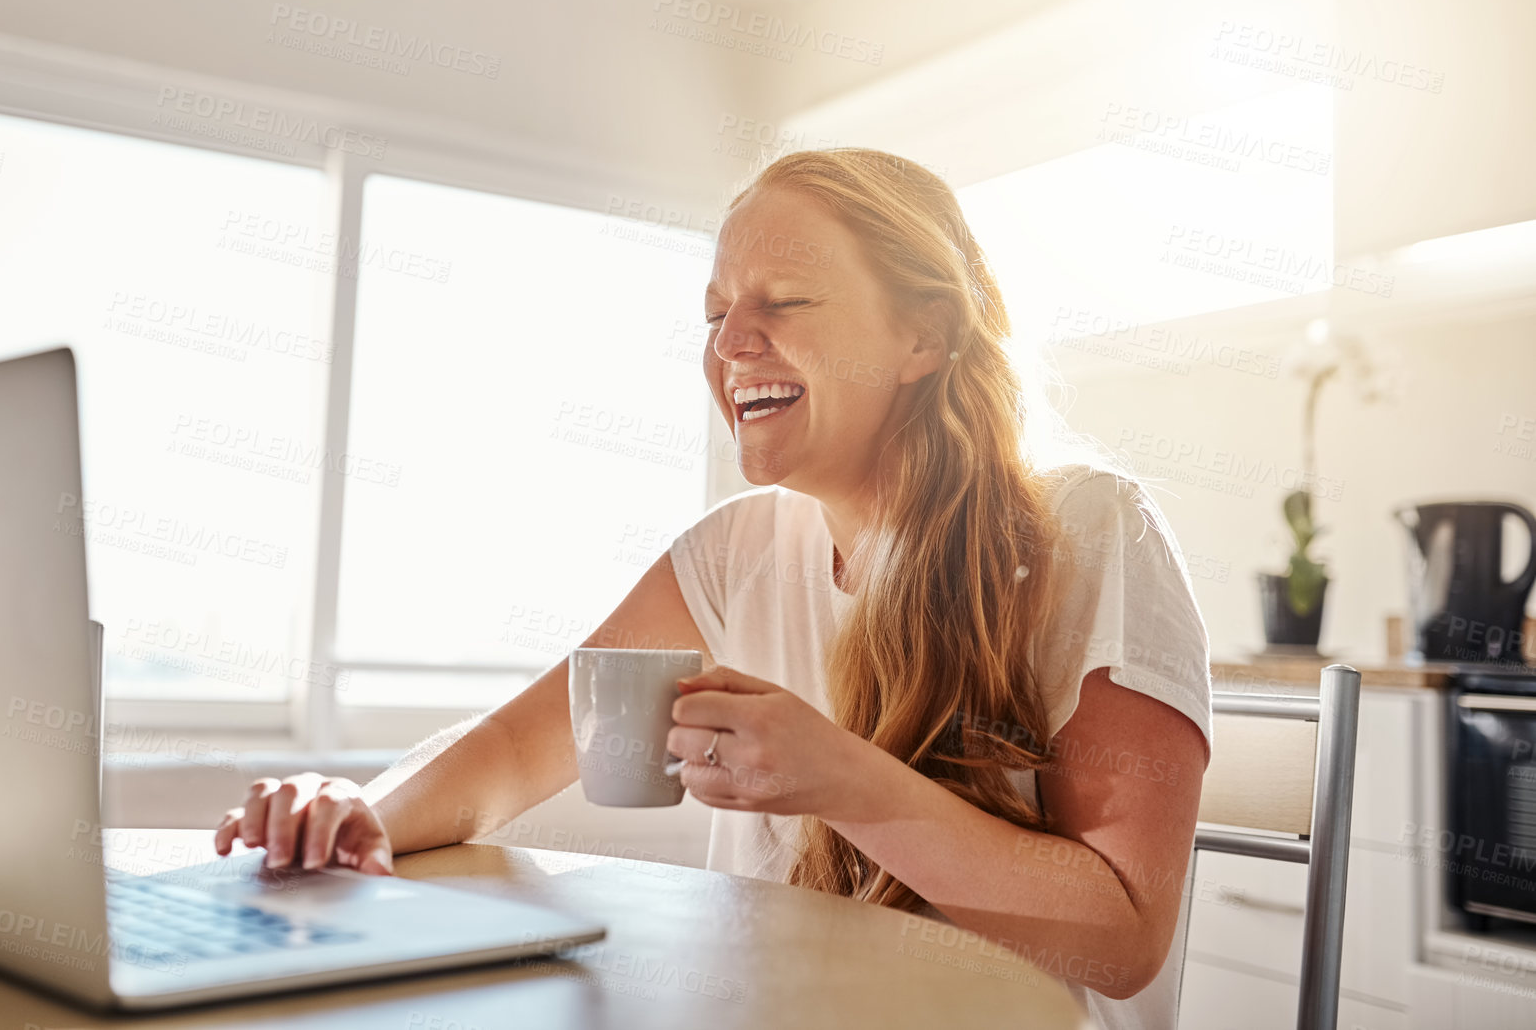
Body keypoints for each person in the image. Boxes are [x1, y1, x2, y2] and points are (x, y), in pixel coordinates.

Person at [214, 148, 1212, 1028]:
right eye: (715, 311)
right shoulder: (737, 550)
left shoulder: (1083, 530)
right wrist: (360, 813)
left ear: (925, 337)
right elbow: (518, 746)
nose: (730, 343)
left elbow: (1123, 939)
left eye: (783, 302)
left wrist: (841, 780)